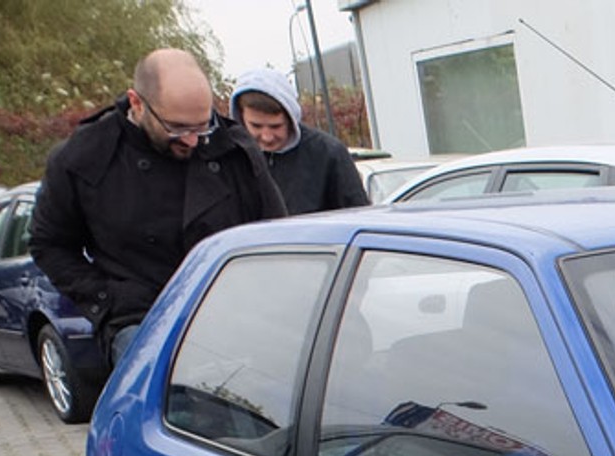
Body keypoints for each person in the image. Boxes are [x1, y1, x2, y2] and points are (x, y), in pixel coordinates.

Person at [30, 48, 285, 366]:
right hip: (142, 319)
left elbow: (275, 233)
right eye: (178, 128)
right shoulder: (83, 158)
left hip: (234, 311)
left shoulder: (235, 149)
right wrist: (107, 299)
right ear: (137, 103)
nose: (192, 141)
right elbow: (49, 243)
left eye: (202, 126)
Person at [229, 68, 370, 216]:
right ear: (241, 118)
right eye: (256, 126)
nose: (267, 137)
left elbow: (359, 216)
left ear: (291, 119)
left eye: (276, 126)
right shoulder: (233, 158)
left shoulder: (328, 154)